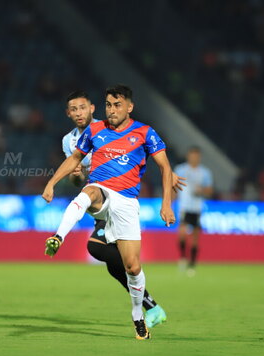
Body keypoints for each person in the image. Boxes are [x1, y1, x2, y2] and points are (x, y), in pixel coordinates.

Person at [42, 84, 176, 340]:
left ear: (129, 107)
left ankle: (139, 313)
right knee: (89, 193)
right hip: (101, 191)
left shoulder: (145, 133)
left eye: (117, 105)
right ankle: (58, 236)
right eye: (108, 105)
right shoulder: (95, 130)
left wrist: (166, 203)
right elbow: (74, 160)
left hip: (126, 201)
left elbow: (165, 168)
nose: (112, 110)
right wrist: (51, 182)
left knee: (132, 266)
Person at [174, 146, 213, 275]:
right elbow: (173, 185)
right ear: (188, 156)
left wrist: (202, 190)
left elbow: (209, 191)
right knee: (182, 233)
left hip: (197, 207)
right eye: (192, 156)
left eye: (196, 156)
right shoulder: (180, 169)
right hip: (184, 206)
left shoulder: (205, 172)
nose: (194, 158)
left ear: (199, 157)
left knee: (195, 237)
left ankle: (192, 263)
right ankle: (183, 257)